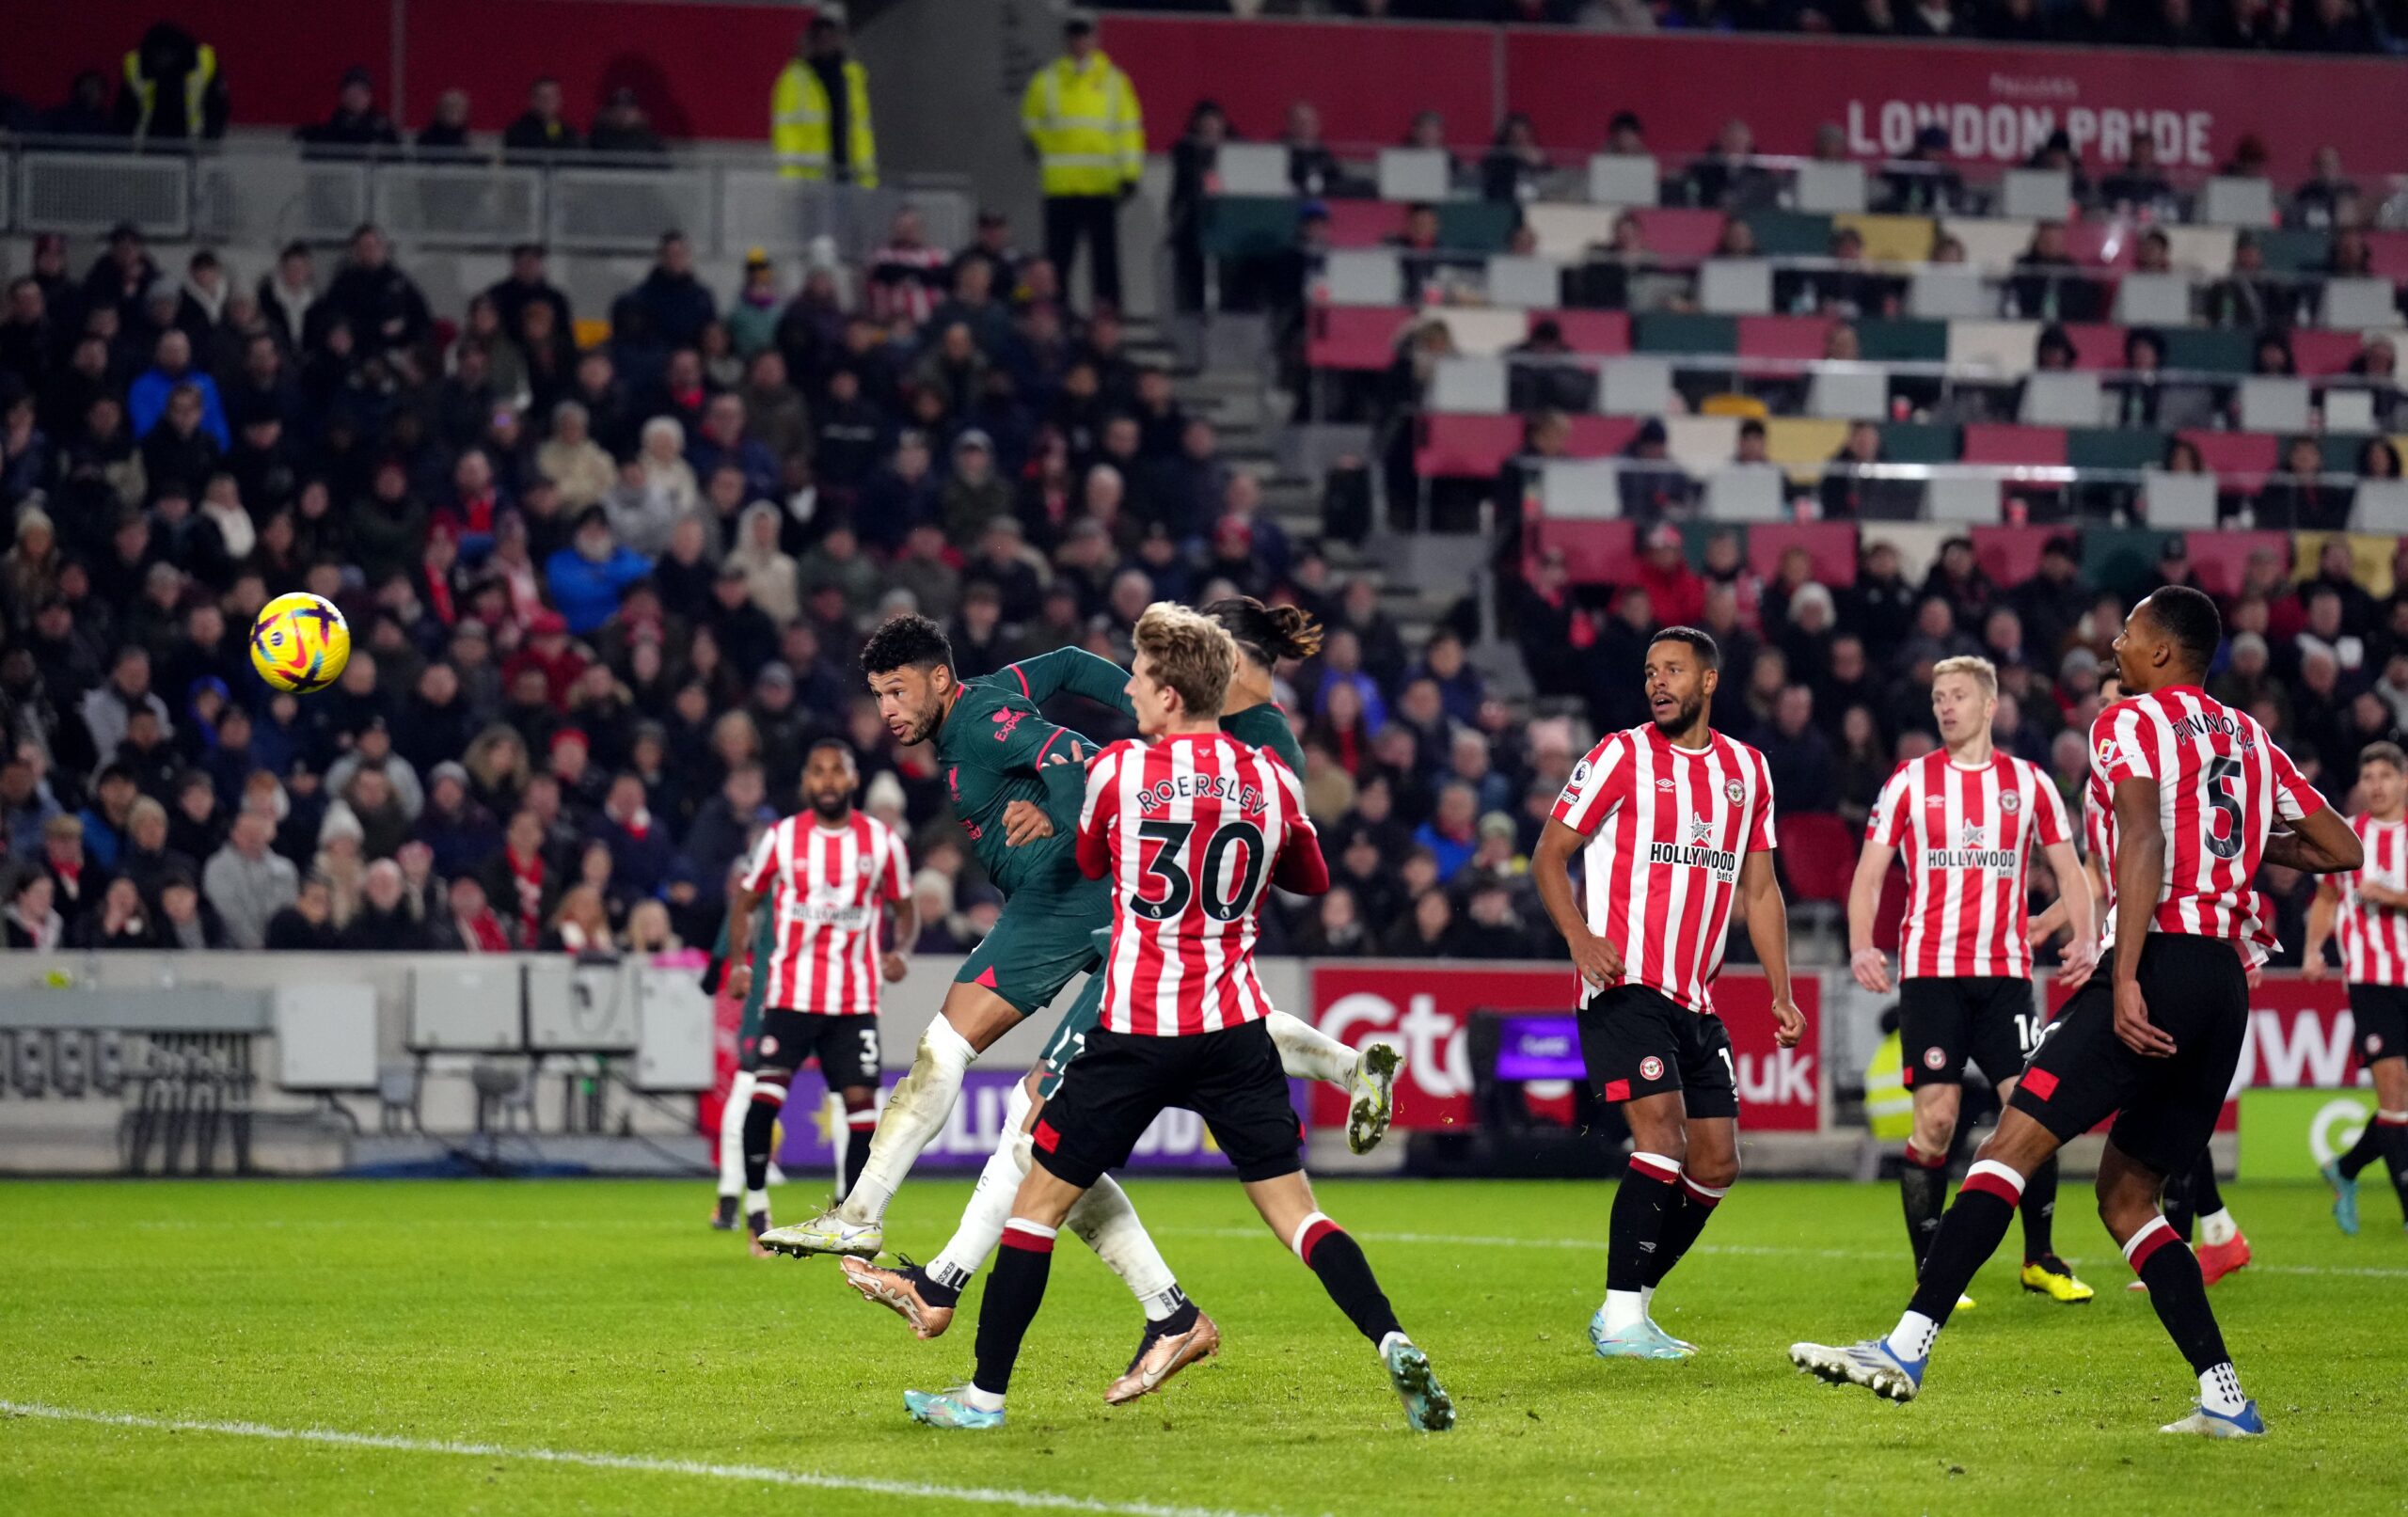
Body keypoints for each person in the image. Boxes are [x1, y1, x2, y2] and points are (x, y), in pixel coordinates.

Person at [1791, 586, 2362, 1437]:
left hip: (2159, 956)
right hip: (2225, 983)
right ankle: (2224, 1397)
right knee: (2131, 1197)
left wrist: (2123, 974)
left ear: (2163, 652)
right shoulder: (2247, 735)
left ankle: (1907, 1343)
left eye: (2129, 631)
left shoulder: (2127, 721)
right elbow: (2340, 846)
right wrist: (2237, 840)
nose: (2116, 641)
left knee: (2009, 1144)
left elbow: (2139, 841)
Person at [900, 603, 1453, 1432]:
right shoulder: (1269, 777)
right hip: (1232, 1029)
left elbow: (1089, 858)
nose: (1127, 687)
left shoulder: (1119, 770)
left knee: (1035, 1207)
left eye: (1137, 674)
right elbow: (1311, 871)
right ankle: (1392, 1339)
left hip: (1134, 1027)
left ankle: (982, 1399)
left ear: (1166, 694)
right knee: (1300, 1215)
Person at [761, 616, 1382, 1263]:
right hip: (1093, 898)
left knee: (963, 1059)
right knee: (1205, 1021)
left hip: (1064, 897)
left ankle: (865, 1217)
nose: (887, 709)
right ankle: (1350, 1068)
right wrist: (1133, 704)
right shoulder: (993, 691)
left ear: (939, 678)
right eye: (878, 694)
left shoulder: (978, 724)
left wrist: (1060, 811)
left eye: (897, 690)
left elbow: (1073, 756)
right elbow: (1066, 662)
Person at [1531, 625, 1804, 1360]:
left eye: (1674, 669)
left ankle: (1631, 1307)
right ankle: (1621, 1319)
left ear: (1708, 682)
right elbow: (1550, 855)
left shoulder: (1748, 771)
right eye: (1651, 670)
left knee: (1716, 1162)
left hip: (1696, 997)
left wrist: (1780, 989)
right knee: (1662, 1136)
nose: (1659, 681)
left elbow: (1762, 887)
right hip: (1625, 983)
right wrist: (1582, 940)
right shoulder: (1620, 755)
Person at [1846, 656, 2097, 1309]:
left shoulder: (2030, 783)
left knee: (2036, 1112)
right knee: (1936, 1121)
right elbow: (1869, 873)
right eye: (1937, 696)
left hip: (2006, 978)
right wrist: (1861, 942)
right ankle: (1932, 1266)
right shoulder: (1909, 782)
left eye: (1957, 695)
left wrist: (2088, 939)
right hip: (1931, 976)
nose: (1945, 706)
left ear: (1990, 706)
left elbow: (2072, 873)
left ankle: (2038, 1257)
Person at [712, 740, 914, 1253]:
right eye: (818, 772)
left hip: (854, 1001)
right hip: (790, 997)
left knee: (862, 1111)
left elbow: (904, 908)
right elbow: (747, 900)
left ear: (852, 781)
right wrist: (739, 962)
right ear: (807, 782)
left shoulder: (881, 842)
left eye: (837, 772)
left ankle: (852, 1217)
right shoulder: (782, 839)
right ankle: (757, 1209)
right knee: (764, 1099)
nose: (827, 781)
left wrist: (902, 950)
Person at [2305, 740, 2408, 1235]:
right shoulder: (2349, 837)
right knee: (2393, 1094)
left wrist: (2391, 896)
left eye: (2386, 775)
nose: (2377, 786)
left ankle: (2345, 1169)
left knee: (2402, 1104)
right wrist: (2312, 949)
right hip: (2370, 979)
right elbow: (2326, 898)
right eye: (2369, 777)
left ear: (2404, 781)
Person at [1020, 12, 1143, 311]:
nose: (1079, 42)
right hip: (1061, 186)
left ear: (1094, 39)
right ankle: (1058, 318)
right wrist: (1044, 147)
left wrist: (1129, 174)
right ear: (1066, 40)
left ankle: (1108, 321)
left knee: (1105, 262)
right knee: (1059, 260)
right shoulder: (1046, 81)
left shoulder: (1114, 81)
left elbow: (1129, 130)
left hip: (1101, 185)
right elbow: (1031, 123)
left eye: (1084, 35)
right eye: (1074, 36)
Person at [771, 9, 877, 185]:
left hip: (847, 179)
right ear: (811, 39)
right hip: (811, 183)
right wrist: (791, 183)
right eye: (820, 34)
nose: (826, 39)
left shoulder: (852, 77)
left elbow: (862, 132)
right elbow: (786, 135)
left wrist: (867, 180)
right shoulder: (795, 79)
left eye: (831, 34)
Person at [113, 22, 229, 144]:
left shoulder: (204, 63)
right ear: (150, 52)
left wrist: (210, 137)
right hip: (146, 145)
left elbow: (217, 106)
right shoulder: (134, 66)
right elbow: (124, 110)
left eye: (168, 53)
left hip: (195, 146)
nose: (164, 59)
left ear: (179, 52)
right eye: (159, 54)